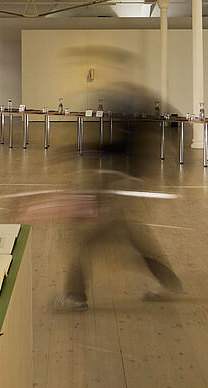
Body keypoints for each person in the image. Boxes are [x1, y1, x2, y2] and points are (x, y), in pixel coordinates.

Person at [55, 48, 183, 311]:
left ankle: (75, 295)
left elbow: (124, 146)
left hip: (122, 183)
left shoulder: (132, 101)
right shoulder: (135, 99)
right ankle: (170, 283)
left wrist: (84, 150)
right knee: (131, 238)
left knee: (87, 236)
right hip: (120, 182)